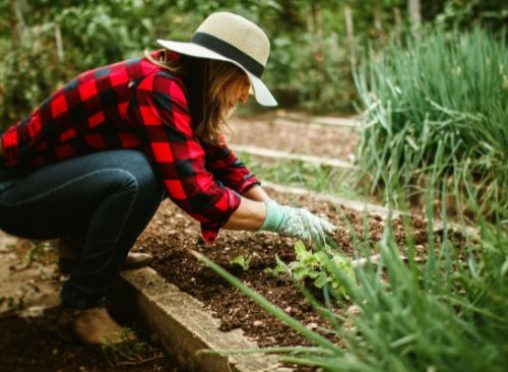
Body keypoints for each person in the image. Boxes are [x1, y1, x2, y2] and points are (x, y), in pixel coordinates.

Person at [0, 12, 335, 345]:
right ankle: (80, 305)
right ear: (222, 73)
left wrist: (277, 208)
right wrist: (282, 220)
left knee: (156, 163)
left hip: (52, 186)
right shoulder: (158, 86)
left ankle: (85, 248)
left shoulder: (183, 86)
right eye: (244, 82)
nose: (246, 95)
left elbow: (220, 159)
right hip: (15, 192)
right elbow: (198, 193)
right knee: (138, 177)